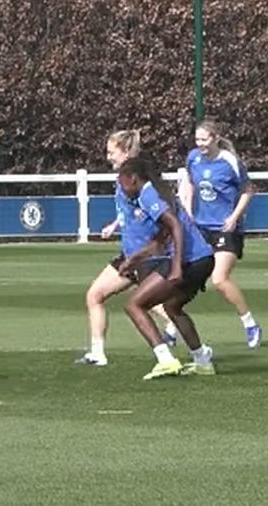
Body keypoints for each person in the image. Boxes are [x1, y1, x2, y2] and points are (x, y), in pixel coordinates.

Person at [75, 129, 178, 367]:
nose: (108, 156)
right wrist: (115, 224)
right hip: (130, 253)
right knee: (96, 295)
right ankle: (97, 353)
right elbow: (130, 211)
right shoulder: (124, 176)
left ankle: (191, 347)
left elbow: (157, 207)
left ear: (126, 151)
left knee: (142, 303)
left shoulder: (136, 177)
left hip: (144, 254)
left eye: (112, 152)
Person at [116, 157, 217, 380]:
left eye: (122, 182)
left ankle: (166, 359)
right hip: (205, 259)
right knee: (172, 306)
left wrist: (177, 266)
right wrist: (134, 259)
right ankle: (202, 361)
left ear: (133, 178)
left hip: (191, 260)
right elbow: (162, 237)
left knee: (134, 305)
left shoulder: (148, 194)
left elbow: (175, 225)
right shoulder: (155, 193)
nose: (122, 189)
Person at [178, 120, 261, 348]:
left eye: (204, 139)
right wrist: (187, 209)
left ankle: (250, 324)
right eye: (197, 140)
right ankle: (171, 328)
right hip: (201, 229)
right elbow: (190, 183)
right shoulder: (193, 157)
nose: (200, 144)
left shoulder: (229, 161)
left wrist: (234, 218)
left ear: (215, 138)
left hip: (225, 229)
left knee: (219, 280)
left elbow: (247, 190)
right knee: (186, 280)